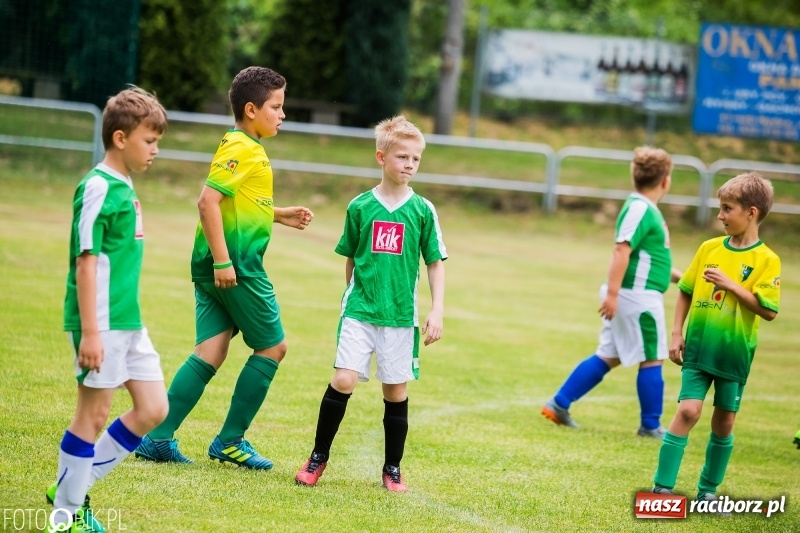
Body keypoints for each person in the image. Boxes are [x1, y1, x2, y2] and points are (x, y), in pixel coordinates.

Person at [134, 66, 313, 469]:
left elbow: (238, 204)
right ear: (251, 109)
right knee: (273, 347)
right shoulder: (243, 148)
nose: (282, 115)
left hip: (212, 266)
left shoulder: (240, 143)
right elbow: (207, 202)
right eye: (276, 107)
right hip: (237, 267)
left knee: (210, 350)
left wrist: (279, 214)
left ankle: (158, 438)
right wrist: (224, 261)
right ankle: (231, 440)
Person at [294, 115, 447, 492]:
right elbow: (351, 257)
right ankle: (317, 457)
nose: (409, 165)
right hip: (360, 311)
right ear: (382, 157)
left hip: (400, 315)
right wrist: (354, 293)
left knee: (395, 390)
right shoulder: (360, 206)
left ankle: (392, 468)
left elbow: (434, 262)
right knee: (344, 378)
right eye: (402, 157)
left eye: (415, 159)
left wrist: (437, 309)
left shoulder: (423, 210)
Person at [48, 87, 170, 533]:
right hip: (100, 323)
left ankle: (72, 486)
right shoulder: (98, 186)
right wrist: (92, 333)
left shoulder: (124, 184)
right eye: (149, 140)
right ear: (120, 138)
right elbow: (85, 262)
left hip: (129, 321)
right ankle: (66, 515)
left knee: (154, 407)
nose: (155, 149)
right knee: (92, 416)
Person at [652, 172, 780, 506]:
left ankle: (707, 492)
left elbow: (768, 311)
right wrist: (677, 333)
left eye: (727, 208)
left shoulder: (767, 260)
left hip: (734, 355)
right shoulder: (709, 248)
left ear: (751, 212)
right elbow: (685, 290)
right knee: (689, 412)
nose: (720, 216)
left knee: (723, 423)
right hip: (699, 347)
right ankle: (662, 488)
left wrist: (733, 286)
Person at [541, 146, 682, 439]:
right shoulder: (641, 208)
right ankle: (651, 425)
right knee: (653, 357)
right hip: (637, 298)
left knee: (609, 354)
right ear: (666, 181)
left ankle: (559, 404)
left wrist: (681, 277)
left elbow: (647, 258)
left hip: (631, 294)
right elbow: (622, 249)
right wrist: (613, 294)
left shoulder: (643, 208)